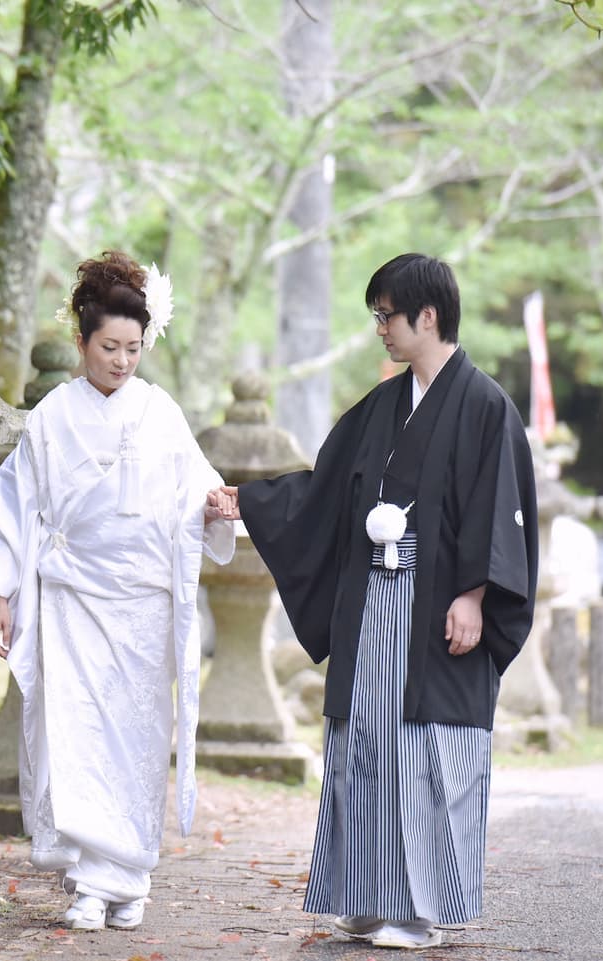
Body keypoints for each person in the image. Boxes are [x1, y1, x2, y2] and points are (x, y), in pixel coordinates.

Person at [234, 254, 538, 950]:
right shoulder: (381, 407)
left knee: (425, 751)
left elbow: (500, 511)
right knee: (365, 742)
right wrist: (247, 500)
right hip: (376, 604)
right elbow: (326, 489)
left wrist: (473, 594)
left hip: (439, 608)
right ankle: (366, 898)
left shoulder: (486, 405)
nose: (380, 329)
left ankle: (420, 908)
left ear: (426, 317)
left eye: (386, 316)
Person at [0, 251, 238, 931]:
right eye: (109, 346)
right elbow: (16, 506)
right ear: (82, 342)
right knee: (76, 734)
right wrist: (1, 593)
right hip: (74, 596)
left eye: (134, 348)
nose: (122, 360)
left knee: (136, 736)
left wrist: (213, 506)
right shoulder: (51, 416)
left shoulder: (160, 413)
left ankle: (130, 877)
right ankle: (88, 878)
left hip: (142, 601)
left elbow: (191, 491)